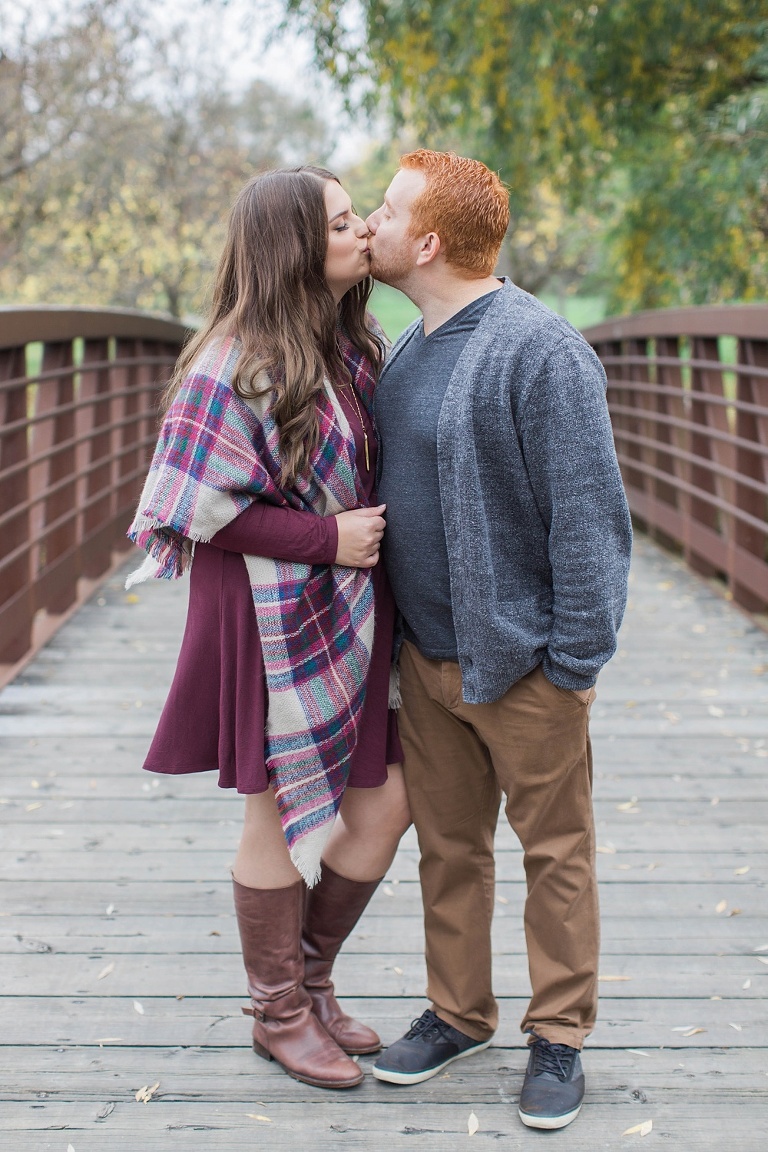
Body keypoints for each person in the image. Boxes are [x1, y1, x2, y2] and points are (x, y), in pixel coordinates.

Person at [126, 166, 410, 1090]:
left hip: (348, 606)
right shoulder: (233, 359)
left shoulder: (352, 342)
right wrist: (327, 537)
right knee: (279, 813)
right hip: (261, 607)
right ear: (294, 247)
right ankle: (278, 1013)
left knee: (388, 800)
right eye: (340, 222)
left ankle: (312, 981)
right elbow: (190, 504)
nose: (363, 228)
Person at [365, 150, 632, 1130]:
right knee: (449, 851)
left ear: (428, 241)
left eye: (388, 212)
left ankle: (558, 1034)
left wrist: (573, 666)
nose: (373, 227)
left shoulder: (540, 349)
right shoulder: (402, 343)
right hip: (426, 662)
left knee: (555, 850)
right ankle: (456, 1013)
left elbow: (591, 520)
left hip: (524, 668)